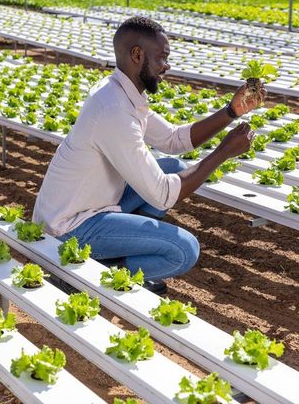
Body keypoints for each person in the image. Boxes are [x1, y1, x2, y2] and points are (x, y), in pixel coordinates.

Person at [33, 16, 265, 294]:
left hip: (89, 207)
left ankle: (111, 258)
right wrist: (223, 152)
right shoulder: (114, 112)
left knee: (172, 165)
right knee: (183, 249)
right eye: (162, 58)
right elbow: (163, 194)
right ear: (137, 54)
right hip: (68, 229)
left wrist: (231, 111)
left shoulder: (118, 92)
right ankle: (81, 272)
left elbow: (173, 139)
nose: (166, 66)